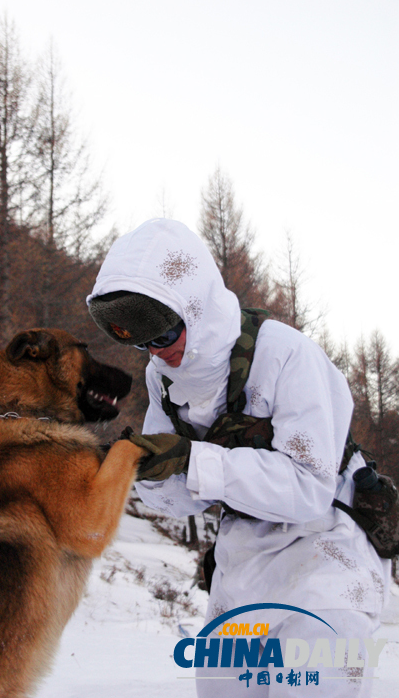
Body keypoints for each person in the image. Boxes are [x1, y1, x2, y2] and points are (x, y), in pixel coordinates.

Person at [87, 218, 389, 697]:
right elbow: (175, 502)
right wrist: (144, 470)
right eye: (141, 342)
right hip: (242, 563)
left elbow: (309, 488)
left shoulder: (287, 356)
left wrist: (192, 460)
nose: (156, 353)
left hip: (325, 561)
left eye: (163, 336)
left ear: (198, 309)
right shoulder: (162, 379)